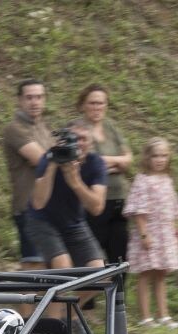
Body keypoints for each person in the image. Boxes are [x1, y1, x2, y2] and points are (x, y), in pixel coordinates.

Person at [26, 118, 106, 318]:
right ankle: (52, 322)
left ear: (91, 142)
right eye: (73, 139)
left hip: (73, 223)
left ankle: (66, 314)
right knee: (62, 268)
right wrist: (53, 165)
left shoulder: (96, 163)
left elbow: (97, 207)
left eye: (83, 139)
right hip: (43, 220)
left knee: (100, 275)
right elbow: (38, 202)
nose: (78, 143)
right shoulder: (49, 158)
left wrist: (76, 181)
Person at [123, 138, 178, 328]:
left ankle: (164, 315)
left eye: (164, 156)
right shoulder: (143, 181)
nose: (160, 160)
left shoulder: (167, 180)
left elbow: (172, 209)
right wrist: (144, 234)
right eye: (156, 156)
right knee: (145, 274)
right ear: (147, 158)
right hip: (149, 234)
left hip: (165, 234)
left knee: (161, 275)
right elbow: (139, 211)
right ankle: (146, 317)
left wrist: (176, 232)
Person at [78, 84, 133, 265]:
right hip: (94, 203)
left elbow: (128, 159)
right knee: (91, 257)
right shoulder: (79, 130)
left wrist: (104, 162)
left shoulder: (110, 127)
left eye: (101, 103)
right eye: (92, 103)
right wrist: (116, 162)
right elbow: (86, 161)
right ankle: (88, 293)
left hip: (118, 201)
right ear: (83, 105)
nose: (97, 107)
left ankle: (118, 294)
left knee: (120, 256)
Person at [2, 78, 51, 271]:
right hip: (28, 207)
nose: (35, 102)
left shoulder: (44, 128)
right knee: (33, 267)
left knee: (50, 268)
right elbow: (42, 161)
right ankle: (26, 302)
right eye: (29, 97)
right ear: (20, 100)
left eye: (39, 97)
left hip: (49, 207)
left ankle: (44, 302)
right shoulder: (15, 128)